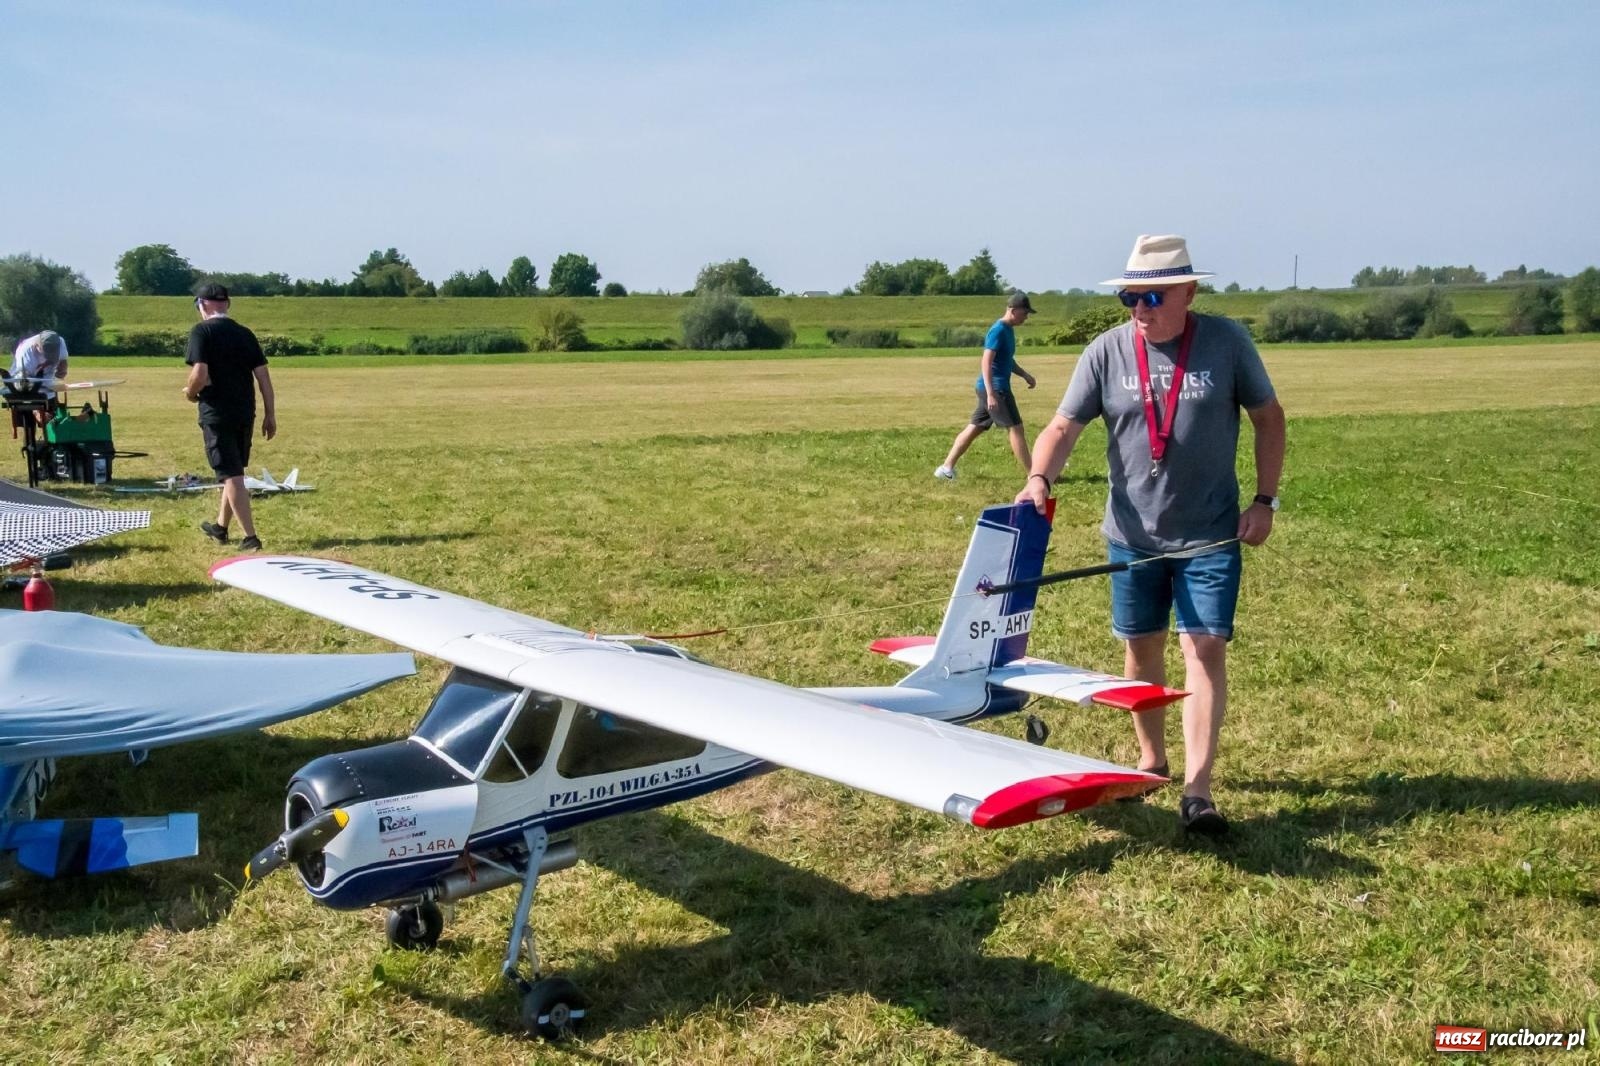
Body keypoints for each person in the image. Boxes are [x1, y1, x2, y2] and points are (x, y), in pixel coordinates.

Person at [1015, 234, 1285, 836]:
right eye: (1130, 298)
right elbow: (1063, 425)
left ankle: (1198, 791)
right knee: (1141, 651)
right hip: (1132, 535)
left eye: (1154, 296)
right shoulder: (1106, 352)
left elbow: (1269, 417)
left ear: (1189, 292)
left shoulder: (1228, 343)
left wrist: (1264, 500)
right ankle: (1151, 760)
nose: (1141, 309)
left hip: (1210, 536)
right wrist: (1039, 476)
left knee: (1204, 648)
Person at [182, 282, 276, 552]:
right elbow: (263, 378)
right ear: (227, 304)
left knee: (232, 475)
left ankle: (250, 537)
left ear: (203, 304)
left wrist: (190, 393)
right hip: (245, 410)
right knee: (233, 470)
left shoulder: (202, 331)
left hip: (217, 412)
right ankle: (220, 528)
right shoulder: (245, 333)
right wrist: (270, 414)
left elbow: (199, 374)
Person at [934, 291, 1038, 480]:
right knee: (1016, 428)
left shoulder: (1008, 330)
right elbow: (986, 361)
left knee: (975, 427)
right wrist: (991, 393)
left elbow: (1007, 360)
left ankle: (946, 468)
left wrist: (1025, 375)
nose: (1026, 317)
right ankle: (1034, 475)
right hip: (996, 388)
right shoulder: (998, 330)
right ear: (1013, 310)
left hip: (990, 388)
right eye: (1025, 313)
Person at [9, 331, 68, 426]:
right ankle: (34, 421)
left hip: (47, 380)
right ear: (37, 346)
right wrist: (36, 410)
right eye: (47, 354)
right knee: (31, 420)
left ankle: (51, 430)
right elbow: (25, 384)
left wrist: (61, 373)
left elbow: (63, 363)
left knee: (53, 419)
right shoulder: (25, 353)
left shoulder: (60, 342)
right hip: (24, 381)